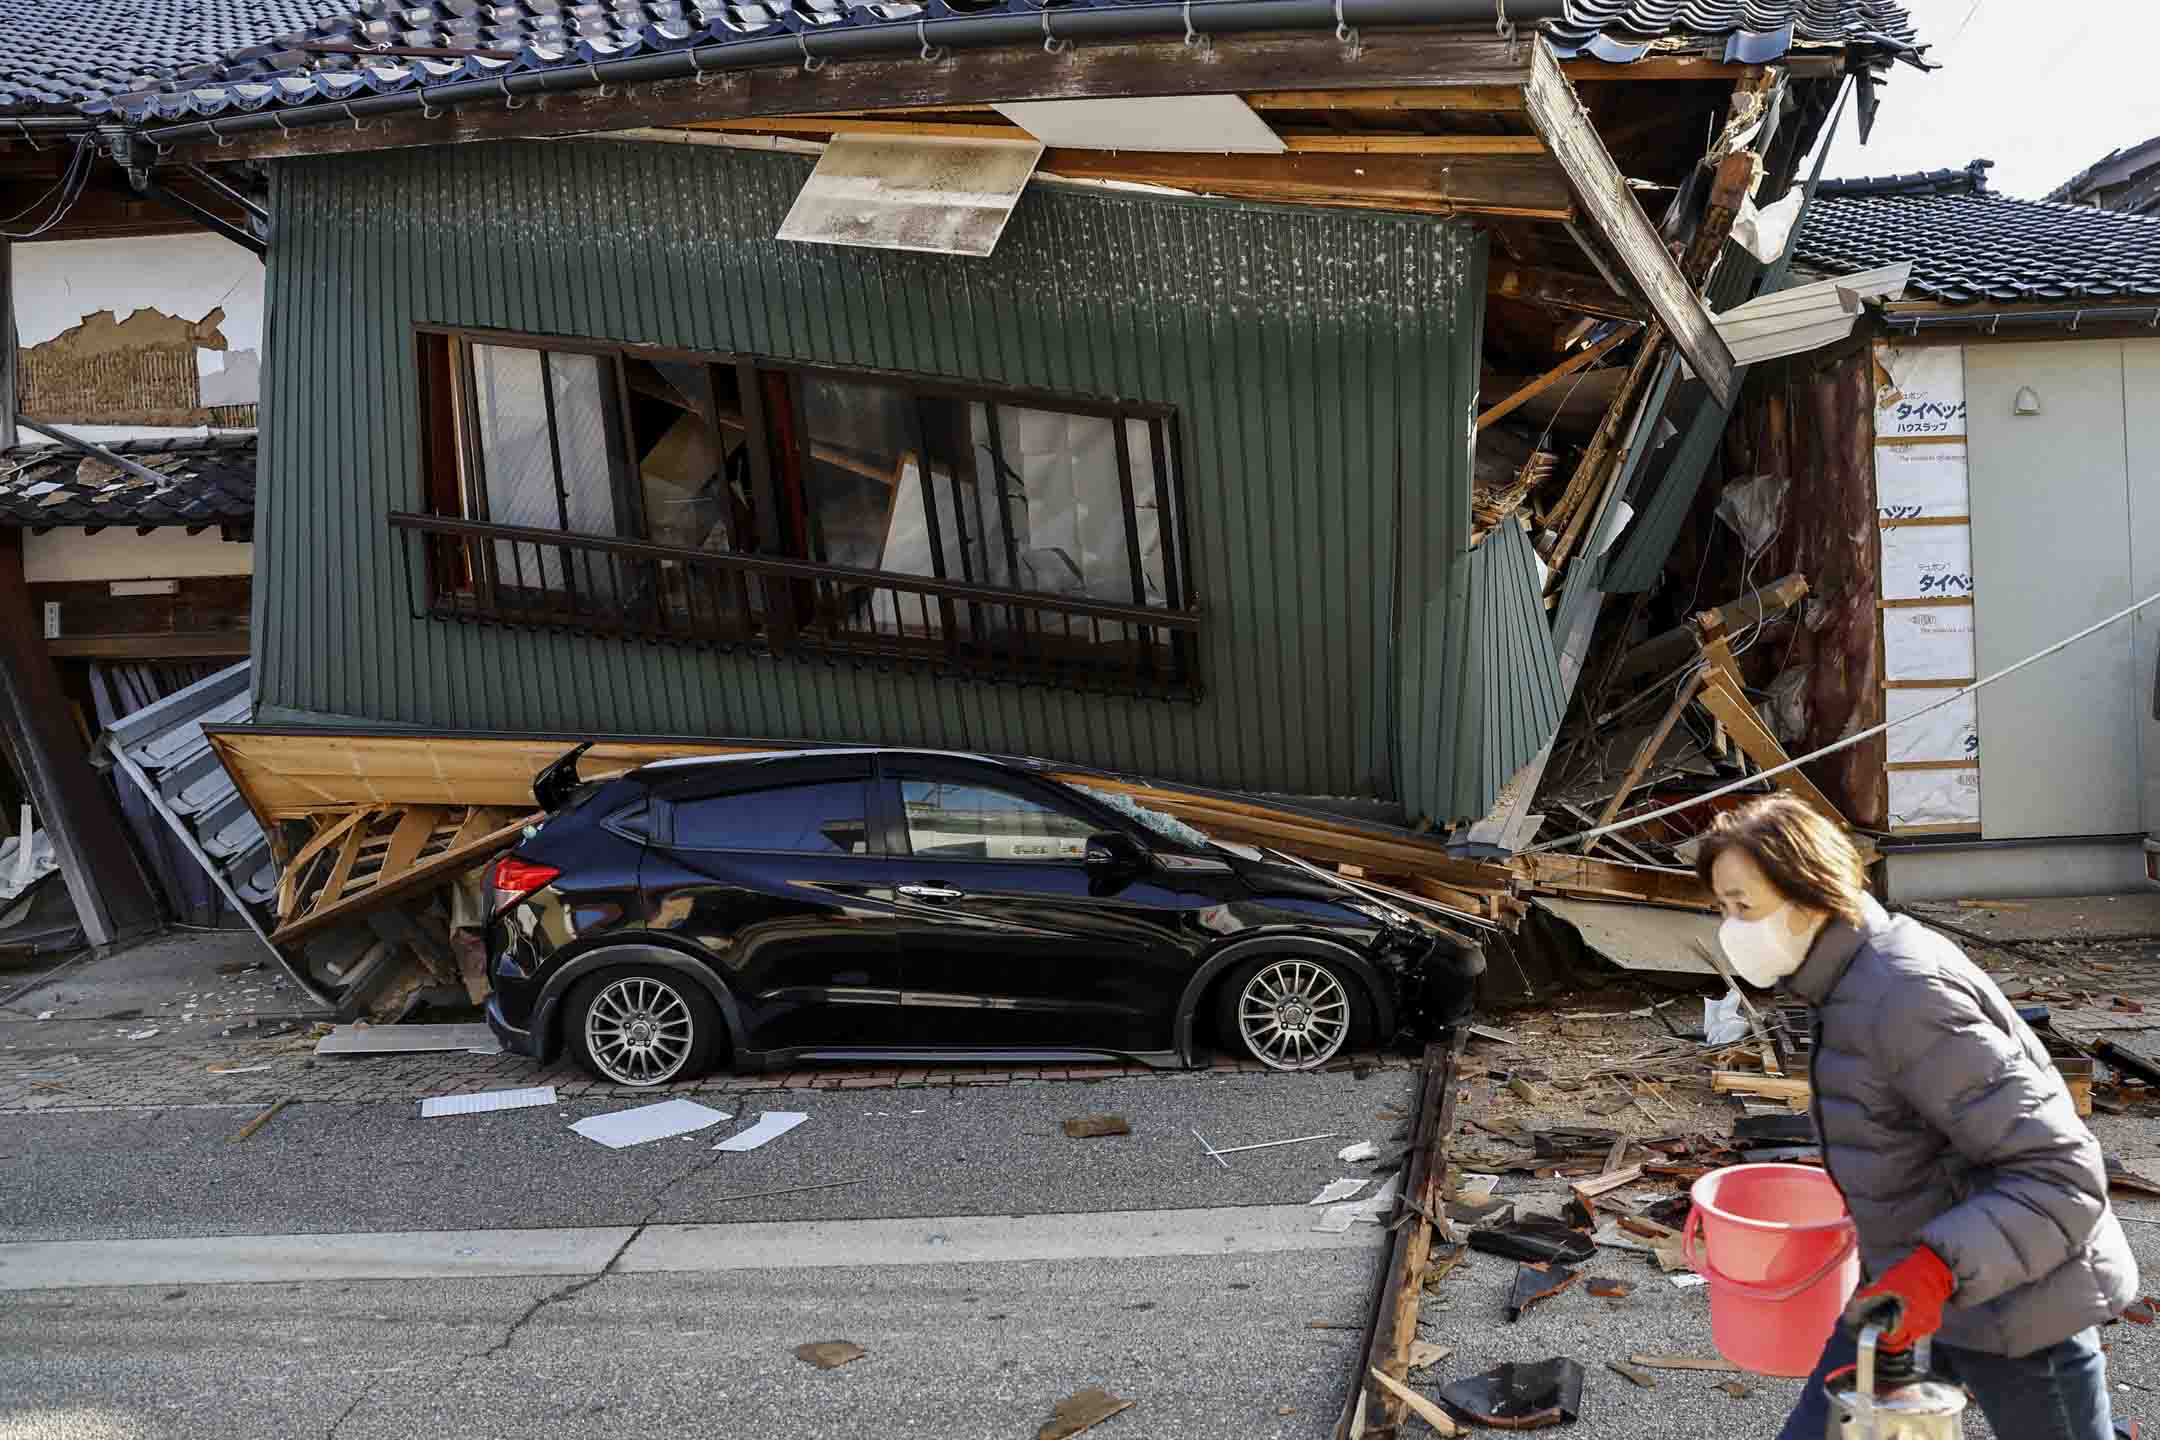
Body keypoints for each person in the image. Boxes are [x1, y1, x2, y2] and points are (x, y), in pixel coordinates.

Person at [1694, 796, 2137, 1440]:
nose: (1731, 929)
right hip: (1913, 1294)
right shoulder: (1845, 982)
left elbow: (2061, 1173)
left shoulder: (1903, 996)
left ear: (1812, 893)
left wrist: (1934, 1270)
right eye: (1722, 908)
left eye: (1743, 906)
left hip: (2020, 1308)